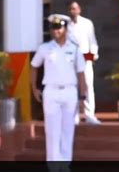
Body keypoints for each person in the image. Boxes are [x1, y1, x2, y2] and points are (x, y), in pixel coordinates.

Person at [30, 14, 87, 161]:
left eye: (59, 27)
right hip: (51, 91)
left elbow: (81, 73)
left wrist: (83, 96)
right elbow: (34, 66)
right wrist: (34, 88)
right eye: (53, 28)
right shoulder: (45, 48)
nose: (56, 31)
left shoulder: (75, 49)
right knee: (52, 131)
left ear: (65, 28)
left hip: (69, 91)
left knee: (68, 130)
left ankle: (65, 164)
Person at [67, 1, 101, 125]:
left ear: (79, 10)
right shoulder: (66, 25)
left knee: (88, 86)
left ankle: (89, 115)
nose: (73, 11)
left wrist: (92, 56)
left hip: (85, 59)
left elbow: (92, 41)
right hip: (71, 61)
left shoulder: (87, 23)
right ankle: (74, 116)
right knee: (73, 87)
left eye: (75, 9)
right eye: (71, 9)